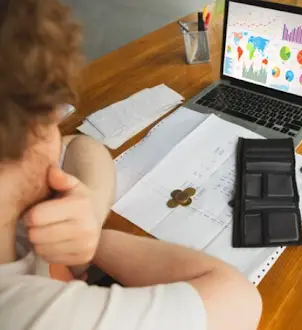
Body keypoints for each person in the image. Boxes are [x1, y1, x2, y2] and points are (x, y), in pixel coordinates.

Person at [0, 1, 262, 329]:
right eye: (52, 117)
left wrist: (91, 211)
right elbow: (240, 301)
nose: (59, 129)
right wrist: (96, 243)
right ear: (27, 142)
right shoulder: (32, 314)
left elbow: (82, 145)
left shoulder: (13, 196)